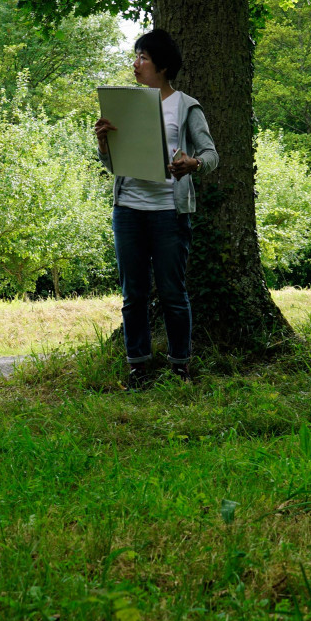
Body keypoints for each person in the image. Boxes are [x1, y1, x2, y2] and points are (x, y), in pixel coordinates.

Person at [94, 28, 218, 387]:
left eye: (143, 57)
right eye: (136, 56)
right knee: (133, 295)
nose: (135, 64)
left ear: (162, 66)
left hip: (169, 211)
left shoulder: (185, 105)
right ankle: (139, 367)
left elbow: (211, 155)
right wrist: (104, 145)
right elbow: (111, 165)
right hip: (128, 210)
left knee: (172, 293)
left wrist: (191, 164)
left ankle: (180, 366)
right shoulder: (127, 104)